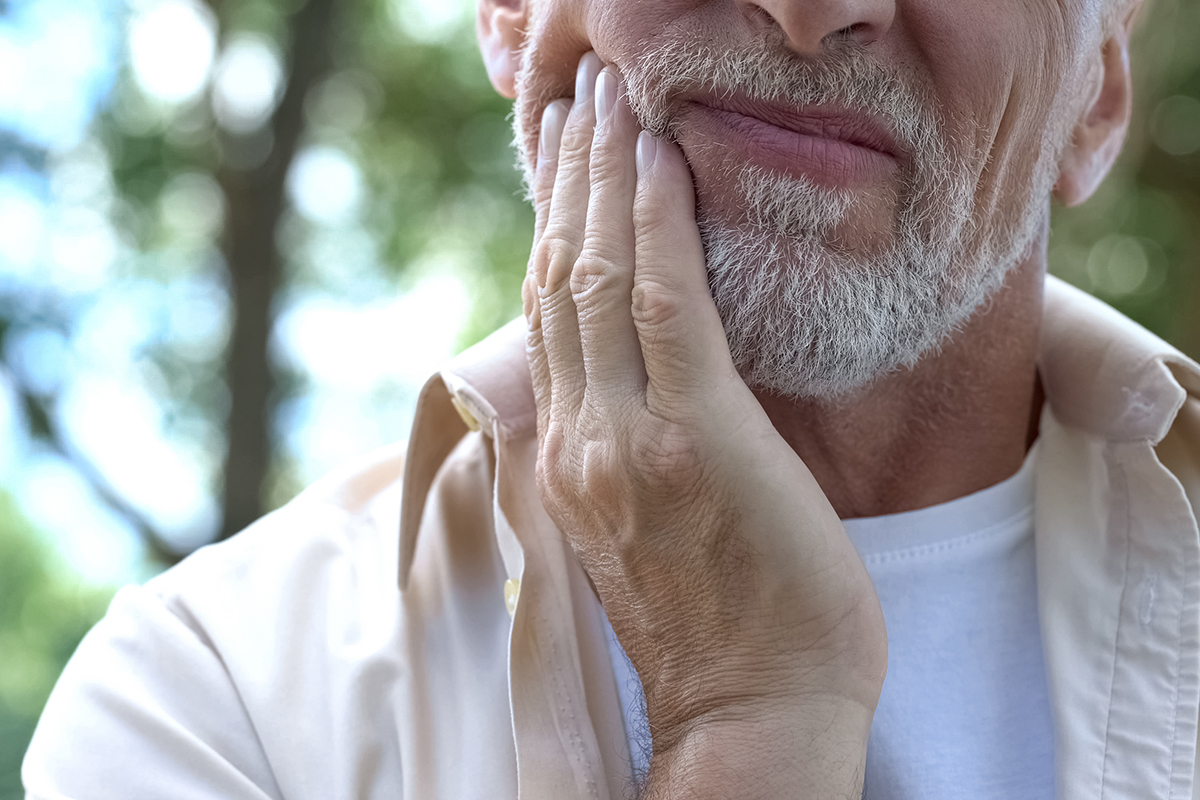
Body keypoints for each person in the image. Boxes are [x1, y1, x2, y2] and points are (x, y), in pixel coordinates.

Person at [22, 0, 1200, 797]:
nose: (806, 6)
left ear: (1097, 93)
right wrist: (747, 723)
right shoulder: (213, 702)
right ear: (508, 11)